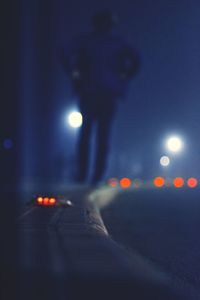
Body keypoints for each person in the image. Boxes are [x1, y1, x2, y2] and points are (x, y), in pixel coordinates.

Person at [60, 9, 140, 184]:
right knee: (90, 134)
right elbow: (64, 52)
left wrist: (125, 76)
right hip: (94, 92)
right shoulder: (98, 42)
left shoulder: (112, 43)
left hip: (103, 93)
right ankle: (87, 174)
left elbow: (135, 60)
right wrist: (74, 73)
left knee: (96, 134)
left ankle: (93, 174)